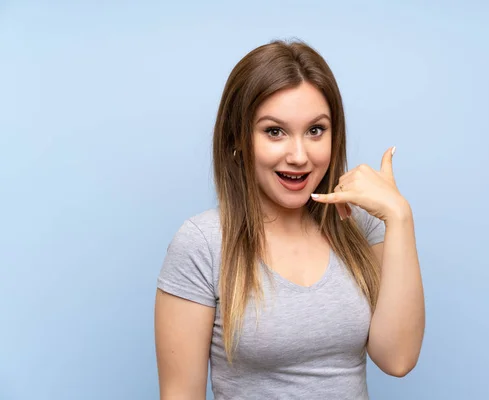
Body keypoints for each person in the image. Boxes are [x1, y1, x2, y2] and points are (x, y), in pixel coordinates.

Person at [154, 39, 425, 400]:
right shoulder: (202, 244)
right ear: (238, 138)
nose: (299, 156)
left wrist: (399, 217)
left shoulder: (360, 225)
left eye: (315, 130)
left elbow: (397, 358)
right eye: (274, 131)